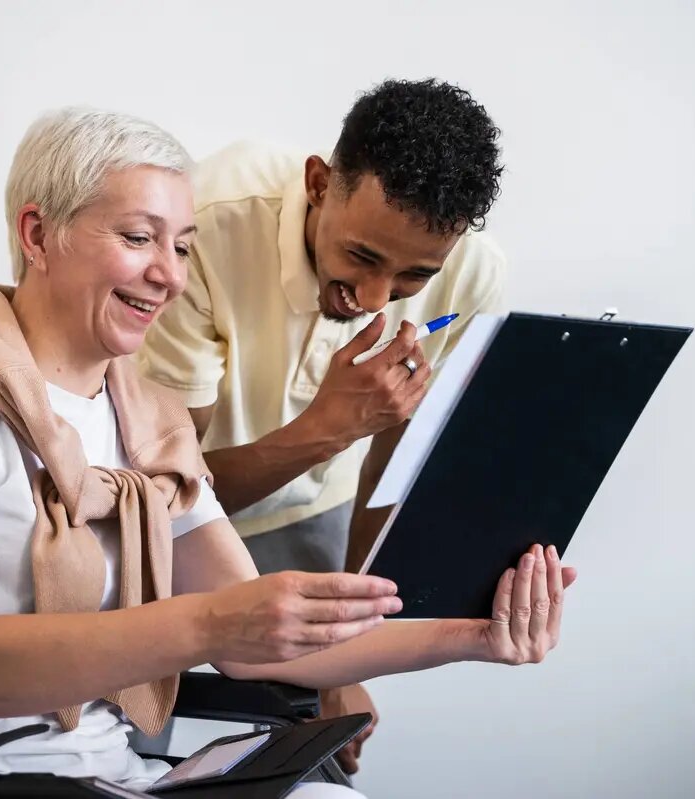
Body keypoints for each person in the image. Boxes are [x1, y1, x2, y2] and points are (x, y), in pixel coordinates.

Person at [0, 107, 573, 798]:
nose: (171, 275)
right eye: (139, 238)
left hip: (102, 774)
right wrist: (208, 623)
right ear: (37, 234)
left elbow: (266, 649)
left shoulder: (150, 421)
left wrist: (476, 635)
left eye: (182, 247)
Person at [138, 78, 512, 771]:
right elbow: (164, 496)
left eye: (411, 278)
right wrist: (332, 425)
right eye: (363, 257)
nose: (375, 299)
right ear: (317, 182)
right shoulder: (207, 224)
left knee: (318, 747)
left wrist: (347, 653)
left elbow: (393, 467)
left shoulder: (474, 279)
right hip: (181, 511)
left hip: (320, 511)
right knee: (131, 730)